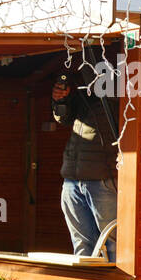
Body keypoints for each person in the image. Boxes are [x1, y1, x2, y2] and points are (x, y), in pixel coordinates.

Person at [52, 73, 118, 261]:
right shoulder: (82, 88)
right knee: (82, 246)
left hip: (102, 178)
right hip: (72, 178)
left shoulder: (118, 92)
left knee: (113, 244)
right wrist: (60, 101)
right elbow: (64, 118)